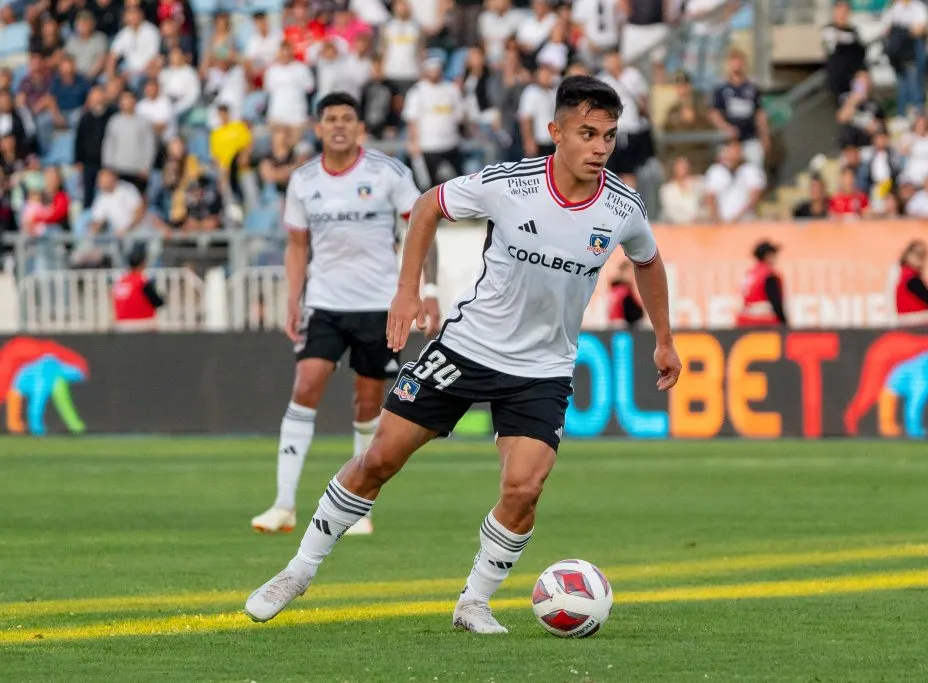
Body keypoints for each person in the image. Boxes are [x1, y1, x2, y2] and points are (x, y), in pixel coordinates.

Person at [244, 75, 682, 633]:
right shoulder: (511, 184)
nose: (600, 148)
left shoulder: (621, 206)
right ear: (555, 132)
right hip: (468, 347)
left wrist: (664, 338)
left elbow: (648, 260)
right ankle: (298, 571)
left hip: (542, 369)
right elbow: (427, 206)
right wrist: (408, 290)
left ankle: (473, 600)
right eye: (588, 133)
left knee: (524, 488)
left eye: (610, 137)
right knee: (379, 459)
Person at [249, 92, 442, 537]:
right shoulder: (303, 181)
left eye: (347, 118)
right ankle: (282, 505)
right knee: (306, 385)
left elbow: (422, 227)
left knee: (367, 403)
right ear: (318, 128)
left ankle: (357, 508)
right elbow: (297, 247)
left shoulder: (388, 172)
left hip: (378, 304)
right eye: (330, 118)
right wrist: (293, 298)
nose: (338, 125)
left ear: (359, 127)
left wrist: (424, 290)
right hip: (325, 304)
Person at [112, 243, 165, 332]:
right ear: (142, 263)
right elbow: (157, 302)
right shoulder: (141, 281)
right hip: (142, 324)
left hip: (121, 324)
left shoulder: (121, 281)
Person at [735, 240, 787, 327]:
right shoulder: (768, 274)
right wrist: (784, 323)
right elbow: (776, 302)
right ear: (767, 256)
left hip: (745, 321)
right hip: (763, 322)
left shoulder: (750, 273)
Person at [895, 239, 928, 326]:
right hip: (918, 329)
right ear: (908, 255)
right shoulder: (909, 278)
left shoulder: (904, 276)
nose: (922, 260)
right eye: (919, 255)